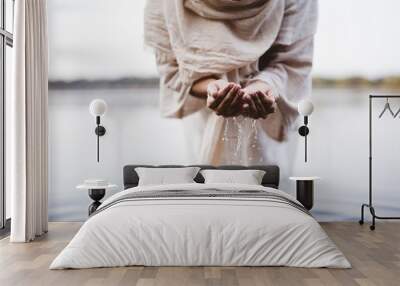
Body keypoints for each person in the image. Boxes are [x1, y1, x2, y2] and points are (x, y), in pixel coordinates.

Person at [144, 0, 318, 166]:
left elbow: (293, 62)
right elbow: (173, 68)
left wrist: (264, 86)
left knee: (269, 182)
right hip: (203, 115)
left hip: (269, 120)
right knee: (207, 183)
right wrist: (210, 87)